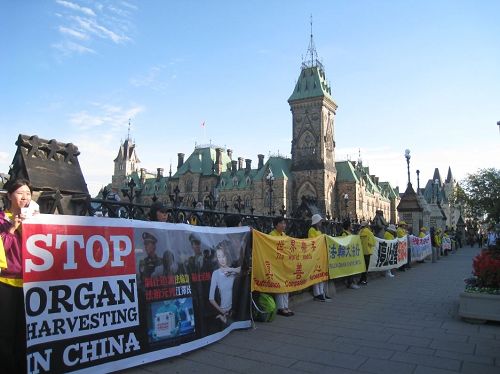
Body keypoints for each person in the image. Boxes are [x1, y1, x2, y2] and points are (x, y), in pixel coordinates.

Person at [0, 178, 36, 374]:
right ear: (9, 196)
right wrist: (12, 228)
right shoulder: (1, 219)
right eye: (21, 193)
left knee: (24, 333)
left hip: (29, 284)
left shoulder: (34, 218)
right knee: (5, 333)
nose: (25, 197)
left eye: (28, 193)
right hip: (5, 283)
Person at [269, 216, 294, 316]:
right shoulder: (272, 235)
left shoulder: (284, 234)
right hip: (276, 264)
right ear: (276, 225)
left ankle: (286, 305)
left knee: (286, 284)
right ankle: (280, 307)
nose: (284, 225)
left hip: (284, 263)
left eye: (284, 223)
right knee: (280, 285)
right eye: (282, 223)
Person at [209, 246, 240, 324]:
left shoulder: (232, 271)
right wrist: (222, 312)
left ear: (227, 256)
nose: (222, 259)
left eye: (223, 256)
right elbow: (211, 298)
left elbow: (242, 270)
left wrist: (229, 269)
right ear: (217, 259)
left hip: (234, 310)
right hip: (222, 311)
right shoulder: (215, 274)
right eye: (219, 257)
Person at [309, 214, 331, 302]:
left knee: (321, 274)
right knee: (316, 274)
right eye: (319, 221)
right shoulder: (311, 230)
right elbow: (313, 241)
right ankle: (317, 293)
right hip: (315, 254)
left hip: (320, 253)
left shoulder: (319, 230)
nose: (321, 222)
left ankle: (322, 292)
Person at [340, 220, 360, 289]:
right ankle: (350, 283)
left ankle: (350, 281)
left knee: (351, 269)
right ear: (348, 226)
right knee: (349, 269)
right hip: (347, 254)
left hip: (351, 253)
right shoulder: (344, 233)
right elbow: (344, 243)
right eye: (351, 224)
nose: (352, 225)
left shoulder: (349, 232)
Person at [358, 220, 376, 285]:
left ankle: (361, 280)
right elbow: (372, 243)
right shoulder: (369, 232)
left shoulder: (359, 232)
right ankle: (364, 280)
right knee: (366, 267)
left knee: (362, 267)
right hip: (367, 251)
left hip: (361, 252)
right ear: (367, 225)